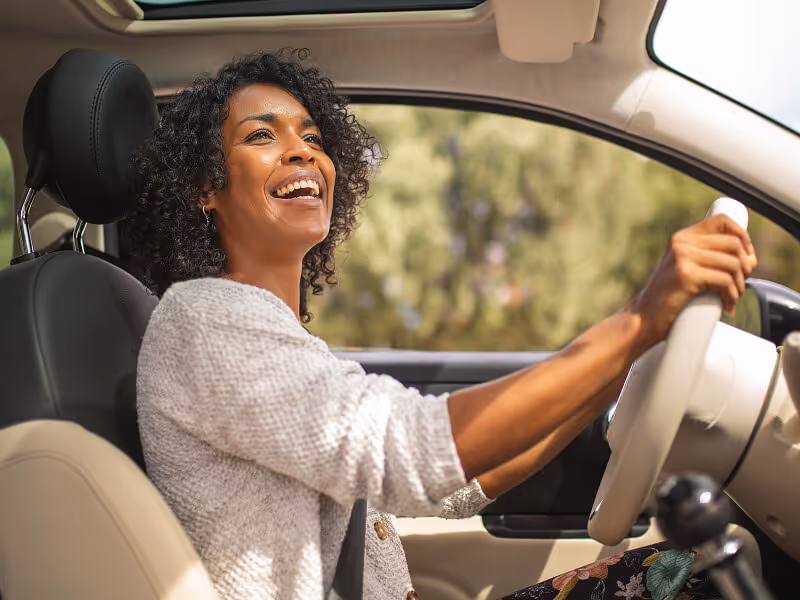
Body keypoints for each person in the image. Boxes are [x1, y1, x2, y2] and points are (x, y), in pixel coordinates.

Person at [124, 50, 756, 600]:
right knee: (703, 574)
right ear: (207, 186)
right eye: (262, 137)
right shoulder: (206, 321)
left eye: (313, 137)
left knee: (686, 565)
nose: (301, 151)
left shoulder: (277, 338)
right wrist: (637, 320)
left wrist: (625, 356)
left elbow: (448, 489)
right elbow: (413, 453)